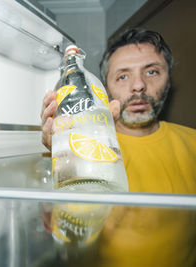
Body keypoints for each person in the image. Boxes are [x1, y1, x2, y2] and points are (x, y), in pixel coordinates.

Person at [40, 28, 196, 266]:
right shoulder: (82, 148)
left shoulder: (192, 143)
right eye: (123, 76)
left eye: (152, 71)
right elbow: (68, 240)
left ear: (169, 79)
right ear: (104, 89)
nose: (138, 86)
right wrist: (66, 160)